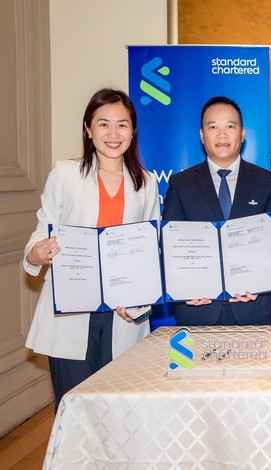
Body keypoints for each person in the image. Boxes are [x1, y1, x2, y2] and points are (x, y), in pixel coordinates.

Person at [23, 88, 160, 411]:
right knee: (74, 411)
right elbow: (38, 237)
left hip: (124, 314)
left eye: (122, 125)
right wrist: (37, 253)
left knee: (119, 412)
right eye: (103, 124)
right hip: (70, 312)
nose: (113, 134)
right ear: (88, 129)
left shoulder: (146, 182)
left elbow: (150, 252)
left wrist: (140, 298)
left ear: (133, 130)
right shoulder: (64, 175)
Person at [163, 96, 271, 326]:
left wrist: (264, 282)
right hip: (198, 311)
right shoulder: (180, 184)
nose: (222, 134)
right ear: (201, 135)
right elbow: (170, 246)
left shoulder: (267, 182)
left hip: (253, 310)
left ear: (242, 134)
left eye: (230, 126)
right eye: (213, 127)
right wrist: (185, 288)